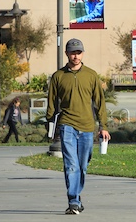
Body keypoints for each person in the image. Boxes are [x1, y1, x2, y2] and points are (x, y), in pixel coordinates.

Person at [47, 38, 110, 215]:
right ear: (66, 53)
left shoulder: (91, 75)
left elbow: (100, 101)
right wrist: (51, 125)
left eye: (79, 52)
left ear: (83, 54)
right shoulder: (58, 76)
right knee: (71, 165)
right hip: (67, 125)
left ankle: (77, 196)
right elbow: (51, 101)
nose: (76, 56)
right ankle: (73, 200)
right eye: (73, 52)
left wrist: (103, 126)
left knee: (82, 165)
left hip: (87, 127)